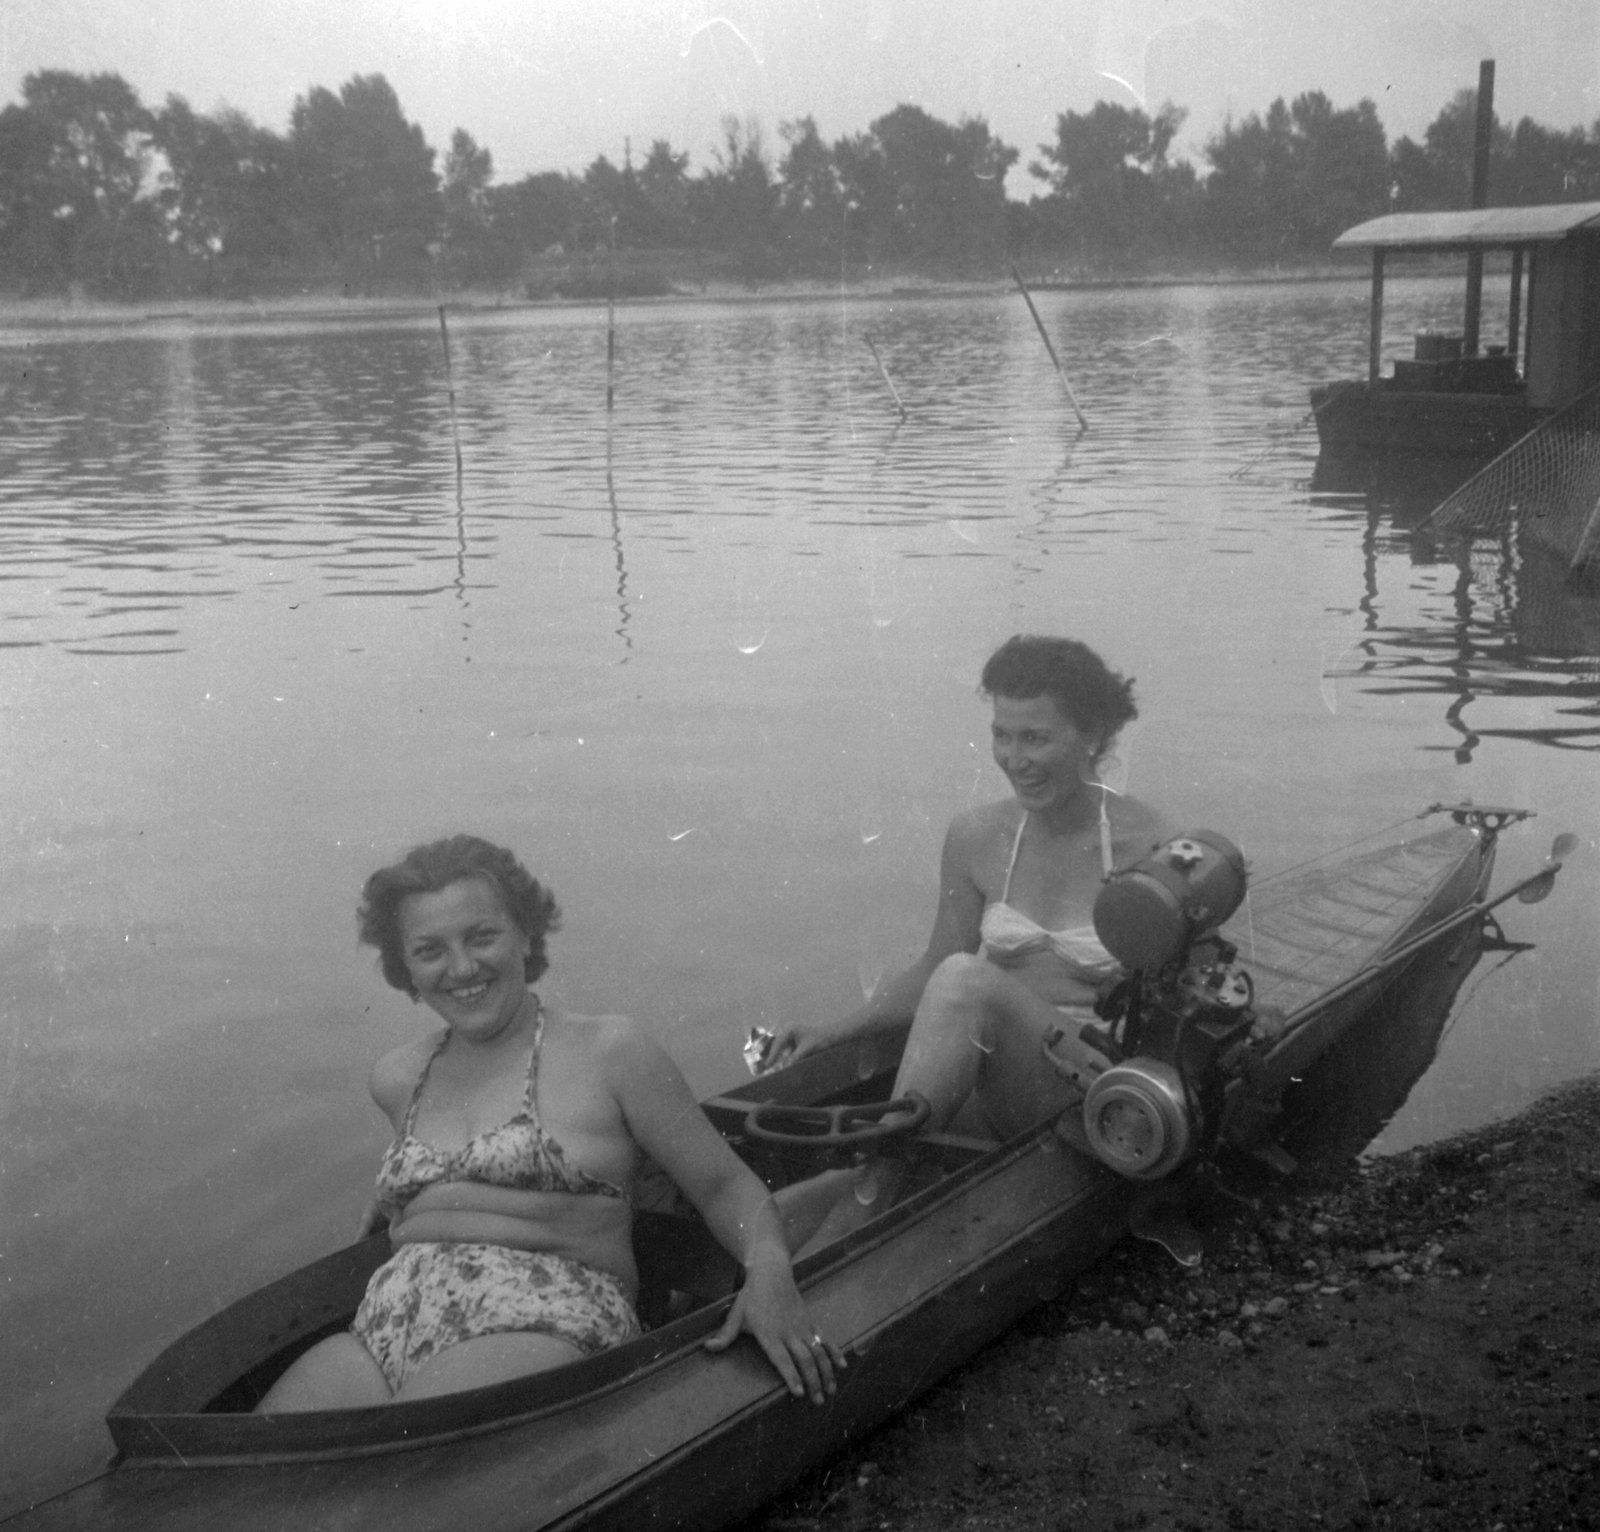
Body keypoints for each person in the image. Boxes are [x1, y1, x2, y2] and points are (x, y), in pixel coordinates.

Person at [259, 835, 843, 1411]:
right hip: (383, 1327)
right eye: (429, 949)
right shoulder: (397, 1076)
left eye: (481, 936)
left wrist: (769, 1273)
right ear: (404, 966)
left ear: (523, 934)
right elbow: (448, 1182)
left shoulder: (612, 1052)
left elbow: (724, 1187)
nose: (461, 967)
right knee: (264, 1456)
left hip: (543, 1319)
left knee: (399, 1470)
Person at [766, 635, 1175, 1198]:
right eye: (1001, 737)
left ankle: (877, 1190)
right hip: (997, 1084)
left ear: (1093, 738)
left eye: (1035, 738)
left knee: (966, 980)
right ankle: (870, 1188)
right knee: (786, 1210)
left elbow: (1188, 1010)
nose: (1015, 759)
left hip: (1097, 1103)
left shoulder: (1154, 846)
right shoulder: (976, 836)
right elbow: (930, 967)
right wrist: (833, 1030)